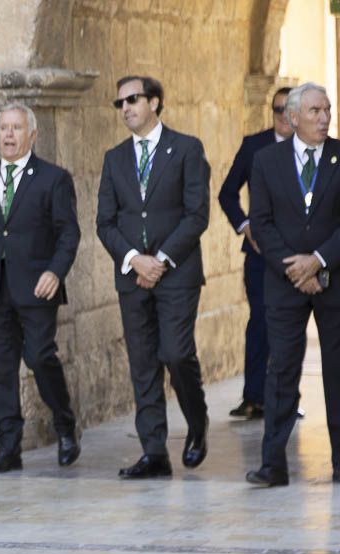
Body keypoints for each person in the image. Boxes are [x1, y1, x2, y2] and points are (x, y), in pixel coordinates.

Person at [0, 103, 80, 473]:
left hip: (38, 287)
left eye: (16, 128)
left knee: (40, 357)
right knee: (3, 369)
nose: (8, 135)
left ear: (32, 135)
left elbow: (69, 232)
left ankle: (64, 423)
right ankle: (9, 446)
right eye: (3, 128)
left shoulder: (53, 179)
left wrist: (56, 271)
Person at [96, 75, 211, 479]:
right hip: (132, 277)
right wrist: (133, 259)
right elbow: (104, 222)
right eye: (119, 103)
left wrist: (159, 260)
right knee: (143, 364)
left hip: (176, 274)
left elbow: (197, 214)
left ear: (155, 102)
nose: (125, 107)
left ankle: (197, 424)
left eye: (133, 99)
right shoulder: (114, 159)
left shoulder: (186, 149)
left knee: (176, 354)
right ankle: (154, 452)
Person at [245, 82, 340, 487]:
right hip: (284, 283)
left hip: (332, 280)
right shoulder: (266, 161)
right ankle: (273, 464)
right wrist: (294, 268)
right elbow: (260, 223)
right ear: (294, 117)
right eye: (316, 111)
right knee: (281, 369)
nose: (324, 118)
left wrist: (318, 262)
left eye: (328, 110)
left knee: (336, 371)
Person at [218, 87, 294, 420]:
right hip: (260, 253)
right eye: (276, 109)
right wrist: (245, 225)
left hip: (298, 254)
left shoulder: (316, 149)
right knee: (260, 320)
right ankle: (254, 397)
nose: (281, 115)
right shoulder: (254, 145)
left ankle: (287, 397)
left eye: (287, 109)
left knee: (291, 326)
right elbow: (226, 194)